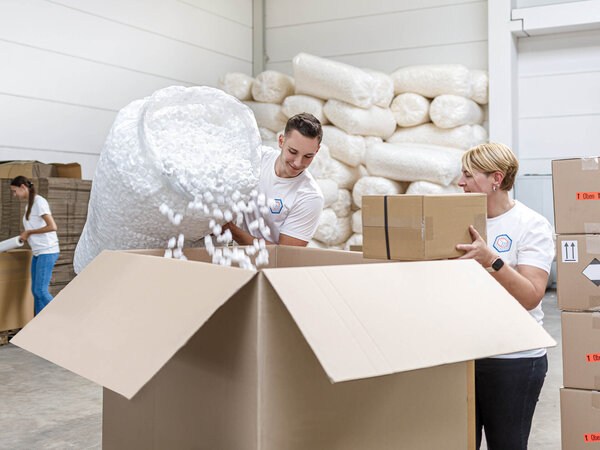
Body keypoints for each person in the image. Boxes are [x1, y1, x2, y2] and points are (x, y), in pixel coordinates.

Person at [455, 143, 555, 450]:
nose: (461, 182)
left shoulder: (531, 225)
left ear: (496, 178)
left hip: (513, 360)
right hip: (464, 355)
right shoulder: (457, 223)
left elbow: (532, 296)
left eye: (469, 175)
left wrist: (491, 259)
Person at [223, 113, 324, 246]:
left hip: (269, 266)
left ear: (317, 150)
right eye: (293, 152)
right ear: (281, 141)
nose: (298, 163)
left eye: (308, 156)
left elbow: (284, 256)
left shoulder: (310, 197)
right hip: (231, 254)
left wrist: (231, 230)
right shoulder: (256, 159)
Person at [11, 176, 60, 315]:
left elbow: (52, 226)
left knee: (41, 290)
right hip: (38, 252)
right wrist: (27, 235)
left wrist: (29, 232)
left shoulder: (39, 202)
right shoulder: (29, 205)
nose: (15, 195)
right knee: (35, 291)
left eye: (15, 191)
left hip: (47, 250)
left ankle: (62, 317)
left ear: (23, 187)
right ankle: (40, 324)